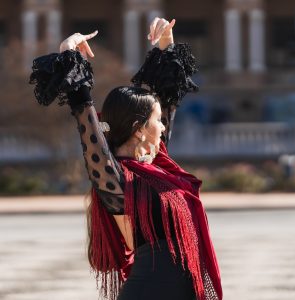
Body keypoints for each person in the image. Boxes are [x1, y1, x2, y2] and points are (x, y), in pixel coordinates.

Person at [29, 17, 222, 300]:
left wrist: (166, 45)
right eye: (158, 121)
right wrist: (68, 54)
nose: (165, 126)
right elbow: (88, 126)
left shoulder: (156, 168)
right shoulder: (117, 179)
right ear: (139, 129)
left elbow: (166, 96)